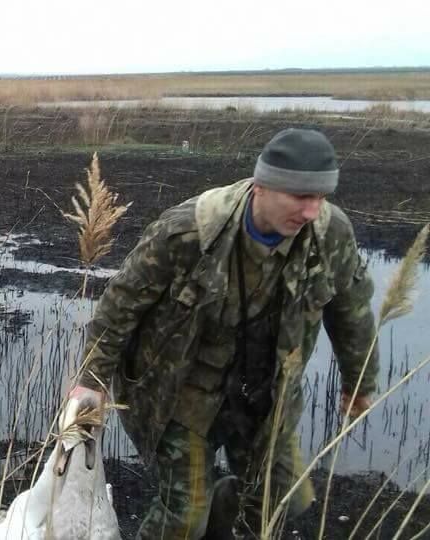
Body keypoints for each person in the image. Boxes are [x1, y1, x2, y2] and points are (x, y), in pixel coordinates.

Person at [61, 129, 379, 538]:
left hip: (265, 396)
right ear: (261, 186)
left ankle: (218, 523)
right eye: (301, 197)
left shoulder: (330, 234)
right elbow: (121, 304)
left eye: (320, 197)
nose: (311, 211)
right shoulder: (188, 232)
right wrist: (91, 381)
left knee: (282, 499)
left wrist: (360, 381)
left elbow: (350, 309)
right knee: (184, 516)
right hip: (182, 393)